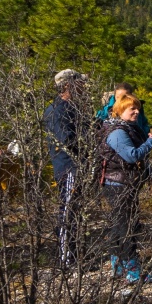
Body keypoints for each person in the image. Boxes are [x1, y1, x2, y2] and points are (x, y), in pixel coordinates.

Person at [94, 96, 152, 282]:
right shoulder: (117, 132)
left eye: (137, 108)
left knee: (119, 225)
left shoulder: (124, 128)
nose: (137, 112)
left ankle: (118, 266)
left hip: (120, 184)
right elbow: (132, 156)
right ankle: (133, 272)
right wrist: (150, 143)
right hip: (119, 186)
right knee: (127, 228)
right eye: (132, 109)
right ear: (119, 111)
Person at [43, 69, 87, 267]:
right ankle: (67, 259)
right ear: (68, 85)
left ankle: (75, 255)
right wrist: (89, 141)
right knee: (68, 212)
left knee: (75, 212)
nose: (84, 87)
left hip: (74, 166)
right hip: (68, 167)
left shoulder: (72, 107)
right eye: (80, 83)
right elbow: (66, 140)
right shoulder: (59, 110)